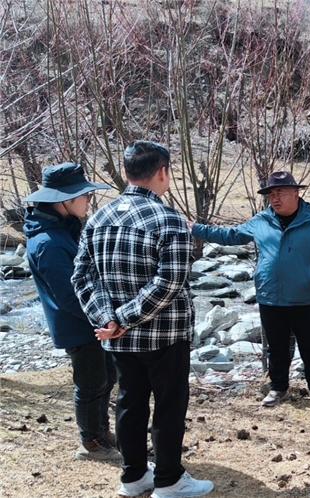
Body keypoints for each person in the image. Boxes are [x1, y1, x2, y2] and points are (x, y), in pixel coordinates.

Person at [72, 141, 213, 498]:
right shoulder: (169, 220)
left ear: (126, 173)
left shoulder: (100, 217)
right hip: (165, 335)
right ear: (162, 172)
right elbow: (169, 283)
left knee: (129, 403)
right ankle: (168, 480)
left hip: (119, 338)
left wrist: (109, 319)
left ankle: (134, 476)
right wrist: (122, 318)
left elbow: (82, 276)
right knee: (168, 406)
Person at [188, 171, 310, 408]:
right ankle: (278, 388)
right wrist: (196, 228)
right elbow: (230, 235)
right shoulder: (261, 221)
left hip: (303, 297)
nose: (275, 198)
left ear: (296, 193)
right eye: (271, 194)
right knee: (276, 347)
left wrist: (309, 276)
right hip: (270, 296)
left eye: (280, 193)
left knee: (309, 345)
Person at [22, 163, 119, 462]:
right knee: (91, 384)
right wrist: (105, 319)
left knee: (107, 376)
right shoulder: (48, 243)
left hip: (92, 321)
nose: (88, 200)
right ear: (62, 200)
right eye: (83, 195)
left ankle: (100, 430)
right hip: (79, 324)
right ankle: (89, 443)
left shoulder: (63, 229)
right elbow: (68, 296)